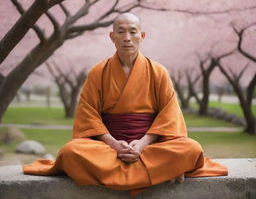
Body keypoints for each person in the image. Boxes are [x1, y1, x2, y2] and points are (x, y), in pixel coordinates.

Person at [23, 13, 228, 195]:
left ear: (142, 36)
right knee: (70, 152)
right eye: (121, 32)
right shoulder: (97, 72)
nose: (127, 38)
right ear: (112, 37)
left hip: (149, 145)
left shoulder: (158, 72)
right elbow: (88, 114)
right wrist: (113, 144)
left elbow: (169, 113)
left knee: (190, 148)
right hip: (109, 146)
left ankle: (133, 170)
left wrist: (142, 144)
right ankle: (162, 171)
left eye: (133, 32)